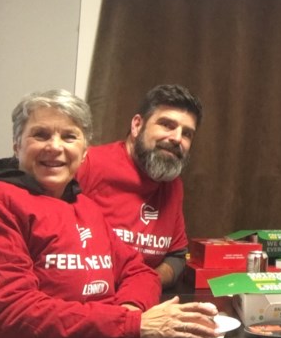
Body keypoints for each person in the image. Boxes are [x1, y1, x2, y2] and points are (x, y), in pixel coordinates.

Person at [0, 90, 220, 338]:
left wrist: (132, 310)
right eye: (41, 134)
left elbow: (139, 270)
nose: (55, 146)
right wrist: (133, 324)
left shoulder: (84, 208)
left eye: (69, 136)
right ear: (17, 145)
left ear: (83, 150)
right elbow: (14, 313)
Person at [76, 84, 201, 288]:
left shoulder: (173, 185)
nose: (177, 138)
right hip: (87, 299)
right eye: (167, 125)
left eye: (187, 133)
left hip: (142, 300)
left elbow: (176, 257)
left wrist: (143, 284)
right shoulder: (88, 164)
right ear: (136, 126)